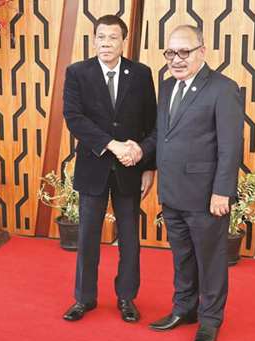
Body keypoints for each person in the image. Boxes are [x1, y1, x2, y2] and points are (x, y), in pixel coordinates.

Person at [135, 25, 244, 341]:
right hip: (172, 192)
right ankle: (184, 308)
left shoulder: (223, 89)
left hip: (206, 195)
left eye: (184, 52)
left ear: (202, 51)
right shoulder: (167, 86)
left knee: (210, 260)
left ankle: (210, 319)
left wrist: (222, 191)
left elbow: (230, 146)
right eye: (171, 53)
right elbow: (163, 135)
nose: (177, 59)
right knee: (182, 256)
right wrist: (147, 163)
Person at [62, 15, 157, 323]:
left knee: (129, 238)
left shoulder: (141, 74)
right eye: (100, 37)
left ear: (122, 41)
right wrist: (111, 145)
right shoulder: (78, 72)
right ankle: (84, 298)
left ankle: (127, 297)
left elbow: (150, 123)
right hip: (94, 166)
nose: (105, 42)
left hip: (131, 169)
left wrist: (148, 166)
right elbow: (74, 118)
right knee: (88, 236)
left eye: (112, 37)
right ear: (94, 39)